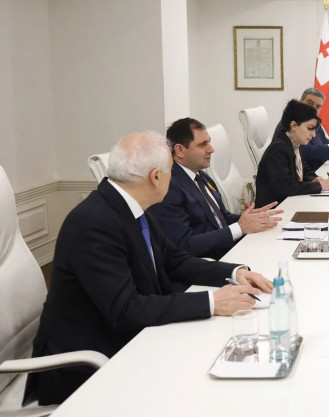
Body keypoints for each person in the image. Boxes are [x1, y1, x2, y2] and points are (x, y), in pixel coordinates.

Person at [26, 132, 274, 405]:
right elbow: (126, 310)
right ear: (156, 177)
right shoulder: (93, 222)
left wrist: (236, 272)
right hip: (87, 365)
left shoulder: (132, 207)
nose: (174, 178)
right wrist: (212, 302)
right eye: (171, 171)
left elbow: (174, 260)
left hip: (133, 338)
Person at [148, 118, 282, 260]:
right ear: (180, 150)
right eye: (202, 144)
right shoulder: (169, 187)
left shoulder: (201, 176)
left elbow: (221, 217)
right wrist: (239, 228)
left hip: (229, 249)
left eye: (209, 142)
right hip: (210, 261)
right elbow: (184, 245)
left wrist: (251, 218)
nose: (211, 149)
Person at [256, 99, 329, 207]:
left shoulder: (294, 143)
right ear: (294, 126)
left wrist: (314, 178)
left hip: (289, 204)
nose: (313, 135)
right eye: (310, 128)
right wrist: (320, 186)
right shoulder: (278, 149)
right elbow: (285, 187)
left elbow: (305, 170)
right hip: (274, 211)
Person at [286, 87, 329, 171]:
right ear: (301, 102)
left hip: (318, 171)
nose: (313, 109)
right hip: (302, 174)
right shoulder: (291, 124)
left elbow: (325, 143)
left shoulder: (315, 123)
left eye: (318, 106)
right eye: (310, 103)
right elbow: (301, 151)